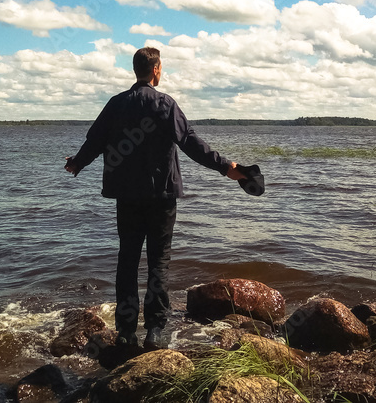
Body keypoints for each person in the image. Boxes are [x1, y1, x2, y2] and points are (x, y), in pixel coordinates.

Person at [64, 47, 244, 349]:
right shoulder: (165, 104)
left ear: (137, 71)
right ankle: (155, 332)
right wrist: (226, 167)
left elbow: (94, 140)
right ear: (156, 70)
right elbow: (190, 142)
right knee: (159, 262)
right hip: (161, 196)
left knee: (128, 261)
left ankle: (125, 332)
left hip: (127, 197)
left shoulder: (117, 103)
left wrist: (78, 163)